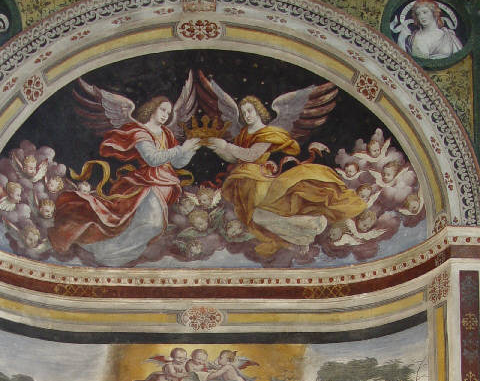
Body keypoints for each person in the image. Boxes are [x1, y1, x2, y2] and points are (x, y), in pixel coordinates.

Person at [206, 96, 366, 257]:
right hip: (244, 181)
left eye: (249, 110)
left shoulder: (268, 133)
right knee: (258, 218)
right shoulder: (243, 133)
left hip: (258, 178)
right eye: (243, 112)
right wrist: (218, 149)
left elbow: (252, 154)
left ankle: (311, 225)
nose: (247, 115)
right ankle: (303, 235)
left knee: (267, 213)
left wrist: (226, 145)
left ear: (258, 110)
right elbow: (235, 158)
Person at [49, 97, 201, 265]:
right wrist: (181, 149)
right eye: (163, 110)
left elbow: (177, 162)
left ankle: (112, 253)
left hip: (164, 184)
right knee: (149, 224)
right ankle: (110, 253)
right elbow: (152, 159)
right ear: (152, 108)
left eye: (169, 112)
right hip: (147, 183)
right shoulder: (141, 132)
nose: (166, 115)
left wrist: (190, 150)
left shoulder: (167, 133)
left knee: (144, 225)